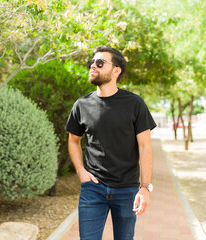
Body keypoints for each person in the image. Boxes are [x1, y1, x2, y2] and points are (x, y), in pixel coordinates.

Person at [65, 45, 157, 240]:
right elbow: (73, 140)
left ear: (116, 70)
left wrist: (145, 187)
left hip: (127, 190)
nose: (93, 66)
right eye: (92, 62)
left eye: (100, 63)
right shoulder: (82, 105)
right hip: (93, 189)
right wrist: (81, 172)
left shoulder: (135, 104)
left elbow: (145, 146)